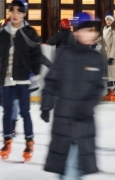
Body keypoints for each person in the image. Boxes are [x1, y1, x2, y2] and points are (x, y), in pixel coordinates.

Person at [40, 12, 105, 180]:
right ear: (77, 32)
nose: (93, 34)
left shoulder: (96, 58)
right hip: (64, 120)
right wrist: (46, 106)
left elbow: (98, 87)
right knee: (67, 166)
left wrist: (87, 106)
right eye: (88, 30)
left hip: (84, 122)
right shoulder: (65, 55)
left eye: (94, 30)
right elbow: (51, 81)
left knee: (76, 166)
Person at [0, 0, 43, 162]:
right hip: (6, 80)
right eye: (12, 11)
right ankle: (7, 142)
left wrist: (36, 75)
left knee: (25, 112)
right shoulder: (2, 35)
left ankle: (29, 142)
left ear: (24, 14)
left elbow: (37, 56)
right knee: (7, 113)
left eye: (19, 11)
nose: (15, 14)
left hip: (23, 80)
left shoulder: (30, 33)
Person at [99, 15, 115, 102]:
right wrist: (95, 42)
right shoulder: (104, 30)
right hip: (106, 55)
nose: (108, 21)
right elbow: (102, 39)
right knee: (108, 75)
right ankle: (110, 91)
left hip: (113, 56)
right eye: (107, 19)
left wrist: (112, 57)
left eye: (110, 20)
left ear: (113, 21)